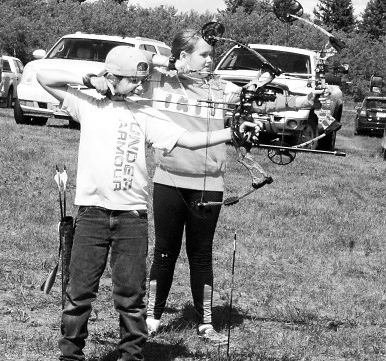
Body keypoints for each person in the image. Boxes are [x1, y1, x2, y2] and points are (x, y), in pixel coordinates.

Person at [36, 45, 242, 361]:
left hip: (132, 217)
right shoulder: (88, 104)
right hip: (91, 214)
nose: (139, 88)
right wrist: (89, 78)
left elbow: (190, 140)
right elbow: (42, 74)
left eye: (141, 82)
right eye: (133, 82)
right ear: (112, 78)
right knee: (78, 293)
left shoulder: (147, 113)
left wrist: (232, 133)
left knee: (131, 297)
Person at [139, 29, 325, 345]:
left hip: (208, 183)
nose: (211, 60)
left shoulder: (220, 88)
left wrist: (303, 100)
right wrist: (167, 63)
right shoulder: (157, 83)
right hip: (168, 179)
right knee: (164, 252)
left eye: (212, 54)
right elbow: (133, 59)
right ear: (183, 56)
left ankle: (206, 323)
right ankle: (152, 318)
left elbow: (257, 103)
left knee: (201, 255)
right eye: (204, 54)